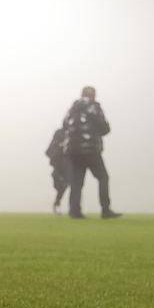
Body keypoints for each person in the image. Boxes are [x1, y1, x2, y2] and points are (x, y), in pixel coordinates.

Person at [60, 85, 121, 220]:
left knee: (76, 182)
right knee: (103, 178)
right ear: (93, 95)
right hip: (91, 150)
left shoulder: (72, 108)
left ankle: (74, 211)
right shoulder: (94, 107)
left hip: (73, 150)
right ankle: (105, 210)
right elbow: (104, 128)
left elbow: (64, 125)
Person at [45, 128, 67, 214]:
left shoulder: (74, 134)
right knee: (58, 185)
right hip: (57, 166)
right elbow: (48, 152)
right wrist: (60, 146)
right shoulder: (57, 137)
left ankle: (57, 203)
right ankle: (57, 203)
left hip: (68, 166)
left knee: (65, 184)